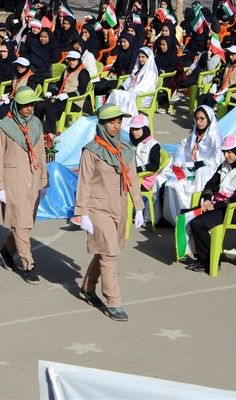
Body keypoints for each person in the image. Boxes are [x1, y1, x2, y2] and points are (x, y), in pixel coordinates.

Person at [75, 104, 144, 322]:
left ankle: (87, 287)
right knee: (110, 254)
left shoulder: (126, 149)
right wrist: (82, 213)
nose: (116, 126)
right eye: (111, 122)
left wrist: (139, 207)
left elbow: (132, 180)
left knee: (105, 251)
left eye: (119, 122)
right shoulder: (91, 151)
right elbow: (83, 183)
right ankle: (113, 301)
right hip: (98, 208)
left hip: (119, 208)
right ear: (102, 124)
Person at [0, 86, 48, 285]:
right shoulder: (5, 127)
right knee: (21, 223)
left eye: (32, 104)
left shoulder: (36, 125)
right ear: (17, 105)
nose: (29, 108)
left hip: (32, 179)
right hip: (12, 180)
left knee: (27, 222)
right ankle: (29, 265)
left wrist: (43, 178)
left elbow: (41, 152)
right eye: (25, 105)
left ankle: (7, 250)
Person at [186, 135, 236, 273]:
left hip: (234, 210)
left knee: (198, 224)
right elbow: (211, 183)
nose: (226, 155)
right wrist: (207, 198)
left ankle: (210, 261)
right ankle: (200, 256)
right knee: (188, 216)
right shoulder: (225, 164)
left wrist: (214, 206)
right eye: (224, 151)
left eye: (229, 152)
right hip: (219, 204)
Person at [162, 105, 223, 224]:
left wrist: (200, 164)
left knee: (182, 185)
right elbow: (182, 146)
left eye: (202, 119)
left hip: (205, 170)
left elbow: (217, 158)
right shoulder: (195, 133)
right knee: (170, 182)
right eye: (196, 118)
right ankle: (173, 218)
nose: (198, 122)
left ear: (209, 119)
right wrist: (179, 158)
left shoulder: (214, 136)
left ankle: (189, 216)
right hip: (190, 167)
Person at [35, 50, 89, 136]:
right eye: (69, 60)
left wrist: (68, 95)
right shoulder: (66, 70)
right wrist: (51, 92)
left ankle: (50, 133)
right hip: (60, 98)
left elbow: (81, 91)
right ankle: (36, 127)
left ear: (79, 60)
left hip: (73, 101)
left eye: (74, 60)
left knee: (51, 108)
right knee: (39, 105)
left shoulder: (83, 72)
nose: (71, 62)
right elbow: (59, 85)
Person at [106, 46, 158, 130]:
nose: (141, 59)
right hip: (132, 92)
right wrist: (124, 86)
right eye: (139, 57)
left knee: (121, 96)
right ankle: (110, 119)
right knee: (115, 93)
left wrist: (129, 91)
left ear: (148, 58)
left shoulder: (150, 72)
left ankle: (124, 126)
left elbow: (144, 88)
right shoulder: (138, 68)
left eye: (143, 57)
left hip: (142, 97)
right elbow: (130, 79)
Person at [129, 113, 161, 191]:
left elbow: (155, 165)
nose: (134, 132)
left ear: (145, 129)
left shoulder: (153, 145)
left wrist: (139, 169)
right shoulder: (130, 143)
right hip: (132, 175)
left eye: (137, 129)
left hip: (146, 179)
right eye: (132, 129)